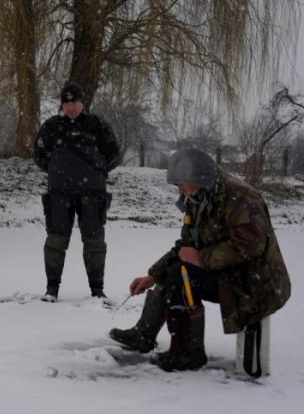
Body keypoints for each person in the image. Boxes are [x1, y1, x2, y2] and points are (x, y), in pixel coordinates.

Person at [109, 148, 291, 371]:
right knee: (172, 270)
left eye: (182, 184)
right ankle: (144, 334)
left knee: (181, 275)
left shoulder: (242, 198)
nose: (180, 190)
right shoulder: (199, 195)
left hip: (254, 283)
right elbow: (185, 246)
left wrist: (202, 258)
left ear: (199, 178)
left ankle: (188, 353)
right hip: (228, 271)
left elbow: (251, 245)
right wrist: (152, 275)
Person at [33, 82, 120, 302]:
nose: (71, 107)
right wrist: (57, 170)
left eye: (75, 102)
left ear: (82, 103)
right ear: (62, 104)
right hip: (59, 194)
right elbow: (39, 154)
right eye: (66, 103)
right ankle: (52, 289)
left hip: (92, 194)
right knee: (56, 241)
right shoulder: (52, 126)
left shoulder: (97, 125)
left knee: (94, 242)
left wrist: (97, 173)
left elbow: (114, 154)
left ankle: (97, 290)